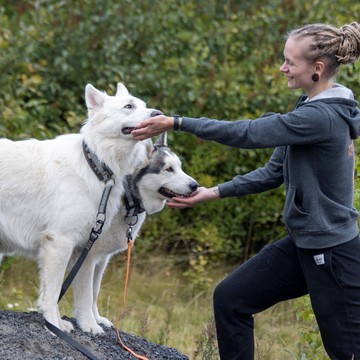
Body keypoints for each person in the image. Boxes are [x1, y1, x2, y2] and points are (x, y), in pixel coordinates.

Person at [132, 22, 360, 359]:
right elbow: (273, 172)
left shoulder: (322, 118)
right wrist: (214, 192)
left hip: (333, 254)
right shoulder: (307, 107)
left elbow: (249, 133)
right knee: (231, 299)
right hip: (303, 245)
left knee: (347, 352)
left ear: (318, 68)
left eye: (290, 62)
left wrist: (177, 122)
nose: (283, 67)